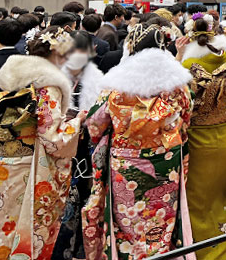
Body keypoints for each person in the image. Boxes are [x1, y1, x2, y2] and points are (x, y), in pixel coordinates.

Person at [0, 27, 83, 260]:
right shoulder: (48, 84)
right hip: (26, 168)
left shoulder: (7, 75)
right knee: (22, 228)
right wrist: (78, 122)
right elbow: (51, 139)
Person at [82, 24, 194, 260]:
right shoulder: (176, 83)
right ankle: (158, 253)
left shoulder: (117, 84)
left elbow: (96, 124)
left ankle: (131, 255)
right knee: (161, 216)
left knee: (128, 217)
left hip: (126, 162)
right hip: (166, 159)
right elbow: (185, 119)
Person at [181, 17, 226, 260]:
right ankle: (221, 248)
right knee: (222, 191)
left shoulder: (186, 63)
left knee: (197, 196)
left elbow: (179, 103)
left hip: (197, 137)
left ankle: (199, 250)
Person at [53, 31, 104, 260]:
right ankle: (62, 246)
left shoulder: (98, 79)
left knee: (85, 194)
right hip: (60, 145)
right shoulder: (53, 78)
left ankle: (83, 245)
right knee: (61, 199)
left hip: (85, 146)